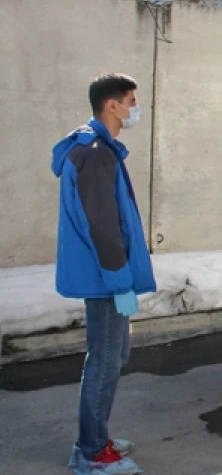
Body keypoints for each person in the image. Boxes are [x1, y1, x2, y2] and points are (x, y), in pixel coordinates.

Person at [52, 71, 155, 475]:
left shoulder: (100, 149)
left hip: (106, 275)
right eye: (131, 101)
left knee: (114, 355)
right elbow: (103, 226)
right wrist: (119, 281)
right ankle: (91, 452)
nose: (134, 109)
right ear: (111, 105)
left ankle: (97, 438)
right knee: (105, 360)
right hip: (105, 276)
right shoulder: (95, 153)